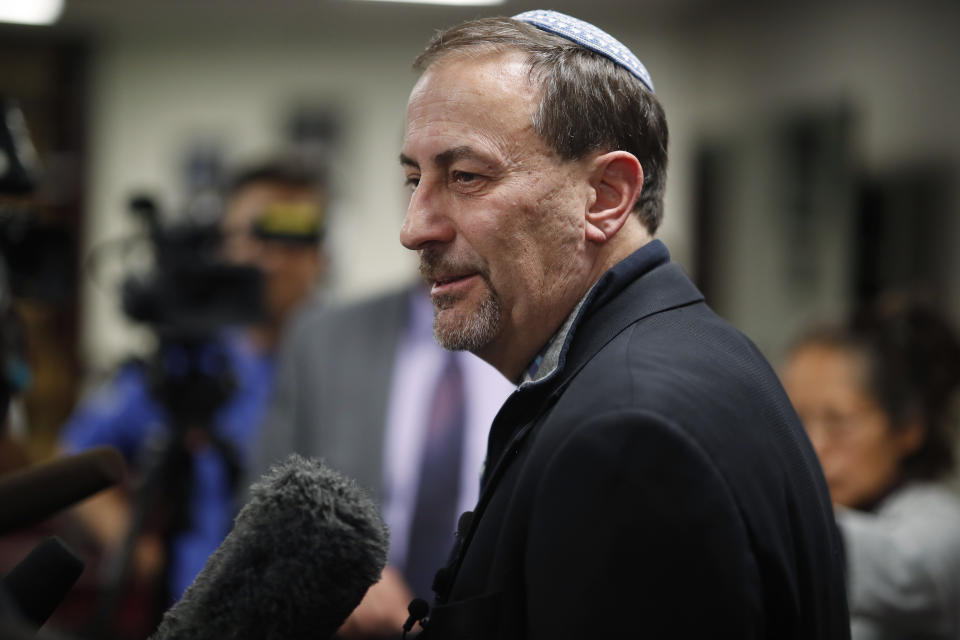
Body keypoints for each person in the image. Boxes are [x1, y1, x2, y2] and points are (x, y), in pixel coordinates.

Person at [396, 10, 849, 638]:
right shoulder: (690, 353)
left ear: (606, 196)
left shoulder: (628, 437)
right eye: (415, 179)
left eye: (465, 176)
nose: (414, 228)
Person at [58, 156, 327, 612]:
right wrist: (137, 552)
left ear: (321, 255)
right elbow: (75, 457)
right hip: (194, 611)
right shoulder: (187, 361)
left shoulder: (346, 362)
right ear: (222, 242)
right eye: (257, 235)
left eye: (295, 238)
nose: (274, 260)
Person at [256, 281, 514, 639]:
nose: (421, 230)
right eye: (413, 219)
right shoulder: (323, 337)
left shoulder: (557, 343)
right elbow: (262, 505)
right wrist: (333, 572)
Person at [782, 295, 960, 640]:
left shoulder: (943, 531)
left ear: (908, 427)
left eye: (839, 422)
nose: (812, 446)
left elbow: (896, 565)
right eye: (793, 419)